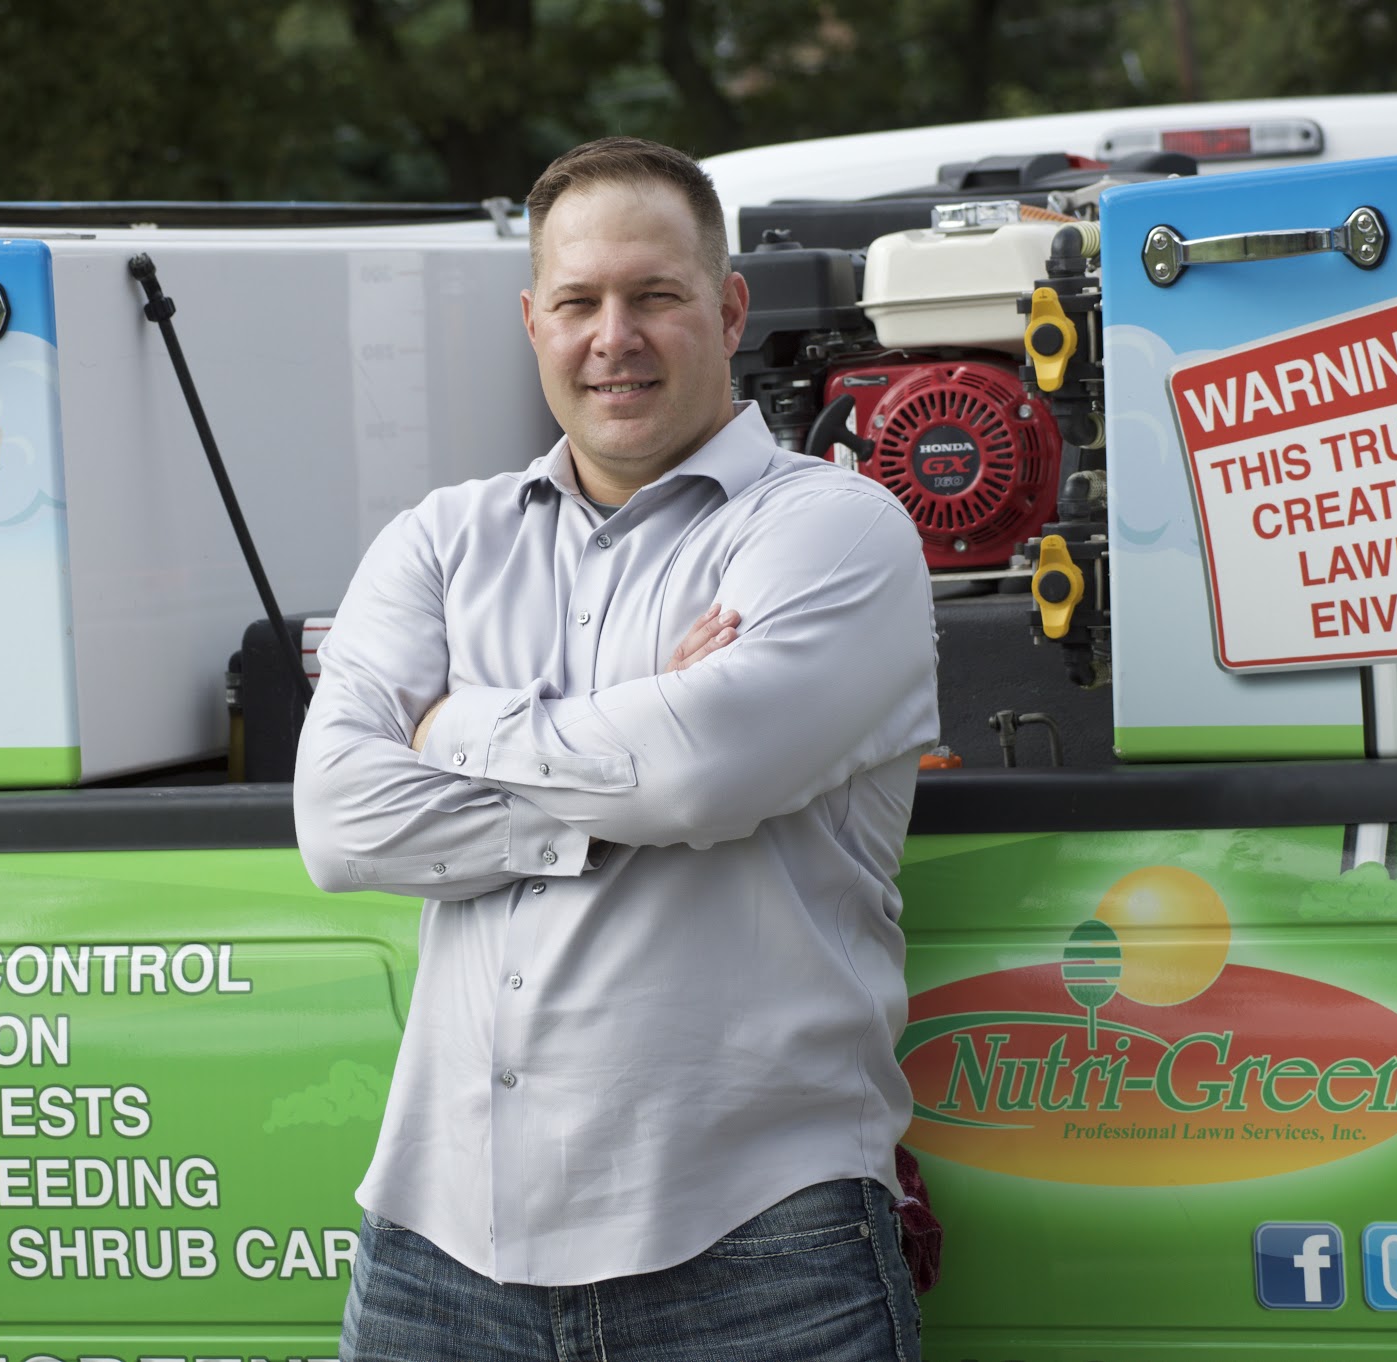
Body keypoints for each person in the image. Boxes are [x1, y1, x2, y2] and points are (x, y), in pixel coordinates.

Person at [292, 135, 938, 1361]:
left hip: (760, 1252)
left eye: (654, 296)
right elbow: (338, 821)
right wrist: (640, 737)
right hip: (438, 1255)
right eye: (578, 302)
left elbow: (691, 774)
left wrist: (451, 725)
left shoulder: (836, 532)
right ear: (531, 320)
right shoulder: (440, 540)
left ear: (728, 310)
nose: (613, 338)